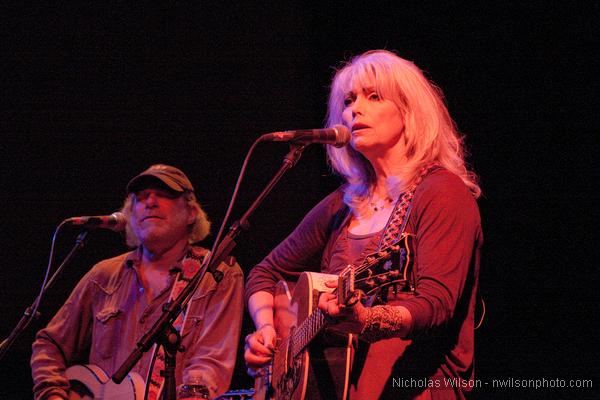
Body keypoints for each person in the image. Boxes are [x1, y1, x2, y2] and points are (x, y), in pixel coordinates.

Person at [244, 50, 483, 399]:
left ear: (409, 112)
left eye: (373, 96)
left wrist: (368, 320)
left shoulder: (442, 192)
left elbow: (437, 302)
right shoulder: (343, 203)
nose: (355, 109)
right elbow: (263, 274)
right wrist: (268, 331)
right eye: (349, 99)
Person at [31, 164, 244, 400]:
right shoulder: (103, 276)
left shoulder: (215, 274)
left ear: (191, 212)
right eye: (140, 198)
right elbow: (49, 344)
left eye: (163, 194)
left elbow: (211, 364)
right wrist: (52, 394)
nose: (150, 202)